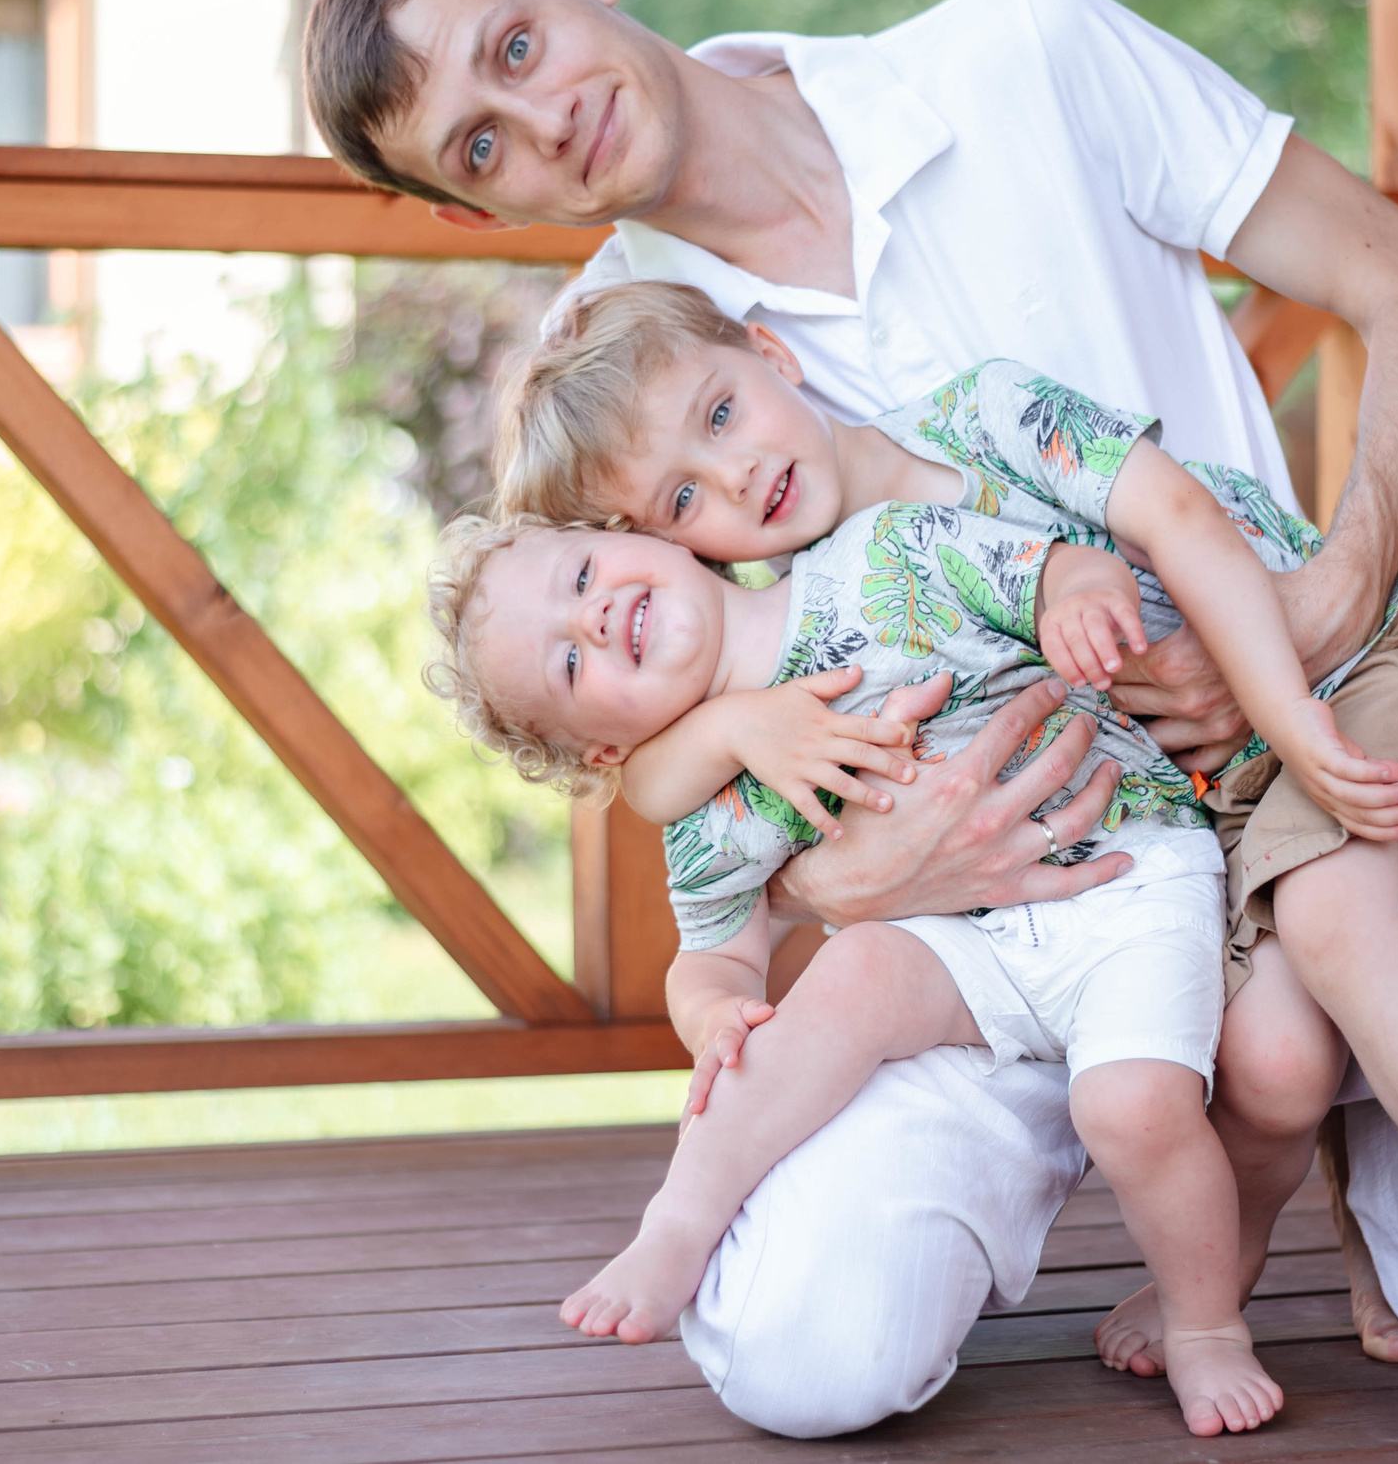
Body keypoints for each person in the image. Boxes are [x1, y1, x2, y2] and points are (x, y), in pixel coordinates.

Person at [304, 0, 1398, 1442]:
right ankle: (1216, 1154)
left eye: (518, 46)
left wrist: (1322, 605)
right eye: (481, 147)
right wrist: (852, 879)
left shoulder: (1022, 54)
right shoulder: (599, 369)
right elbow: (647, 735)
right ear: (476, 214)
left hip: (1287, 810)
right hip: (993, 942)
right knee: (806, 1354)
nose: (541, 120)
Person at [490, 278, 1398, 1448]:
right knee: (1270, 1061)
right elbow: (673, 794)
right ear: (676, 539)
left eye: (718, 417)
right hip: (1203, 805)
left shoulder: (981, 426)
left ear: (770, 353)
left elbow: (1175, 531)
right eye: (687, 495)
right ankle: (1225, 1280)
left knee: (1328, 927)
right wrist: (715, 769)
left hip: (1330, 671)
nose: (737, 475)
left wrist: (1290, 718)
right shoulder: (802, 619)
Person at [430, 502, 1288, 1437]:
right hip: (965, 945)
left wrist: (1078, 591)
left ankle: (1205, 1323)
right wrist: (716, 1011)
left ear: (645, 533)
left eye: (584, 573)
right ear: (602, 748)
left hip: (1129, 873)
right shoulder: (714, 802)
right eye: (567, 662)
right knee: (848, 979)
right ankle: (677, 1225)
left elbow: (1040, 571)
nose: (590, 617)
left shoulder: (880, 554)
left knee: (1132, 1105)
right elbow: (712, 953)